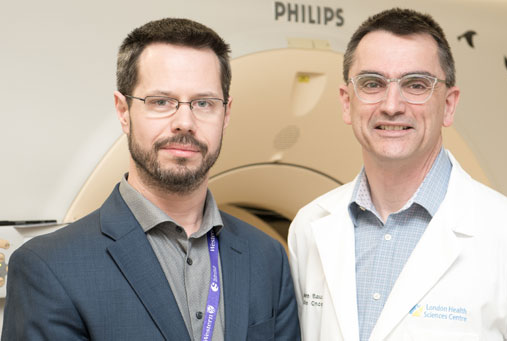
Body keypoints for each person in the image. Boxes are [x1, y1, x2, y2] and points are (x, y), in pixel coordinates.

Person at [288, 8, 507, 341]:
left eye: (416, 85)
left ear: (449, 104)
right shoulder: (309, 229)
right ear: (346, 102)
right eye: (372, 84)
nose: (392, 105)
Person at [3, 18, 300, 340]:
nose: (184, 122)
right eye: (161, 102)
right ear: (123, 111)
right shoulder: (50, 265)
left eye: (204, 103)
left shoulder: (267, 257)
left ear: (225, 114)